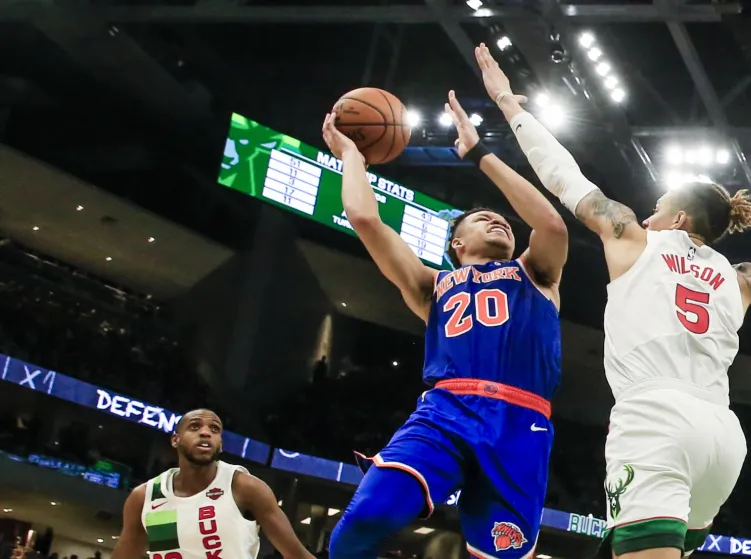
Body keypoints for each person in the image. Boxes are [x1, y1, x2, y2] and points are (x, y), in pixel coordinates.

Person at [473, 43, 751, 559]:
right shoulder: (739, 278)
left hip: (654, 417)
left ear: (680, 220)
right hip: (720, 437)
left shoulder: (631, 240)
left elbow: (564, 176)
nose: (645, 217)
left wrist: (510, 105)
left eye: (657, 209)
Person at [321, 86, 568, 559]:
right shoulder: (430, 284)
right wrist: (352, 156)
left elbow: (552, 225)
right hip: (446, 411)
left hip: (523, 421)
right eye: (482, 218)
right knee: (363, 521)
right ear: (457, 243)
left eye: (502, 220)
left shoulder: (536, 272)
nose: (498, 220)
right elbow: (364, 218)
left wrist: (480, 154)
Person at [113, 409, 315, 559]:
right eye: (195, 426)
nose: (205, 432)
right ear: (175, 440)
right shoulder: (144, 497)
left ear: (221, 444)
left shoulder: (244, 487)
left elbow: (297, 555)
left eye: (214, 429)